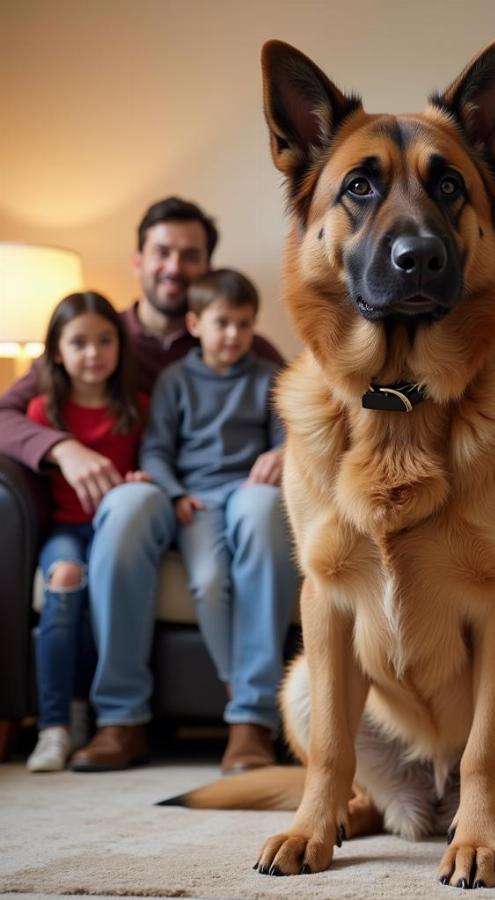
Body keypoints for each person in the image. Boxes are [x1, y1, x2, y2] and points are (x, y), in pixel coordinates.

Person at [0, 197, 289, 772]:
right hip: (155, 488)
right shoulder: (103, 333)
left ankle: (253, 720)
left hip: (229, 495)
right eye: (162, 252)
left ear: (206, 265)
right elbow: (6, 411)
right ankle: (121, 717)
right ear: (139, 259)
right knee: (127, 504)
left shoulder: (243, 345)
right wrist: (63, 447)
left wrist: (293, 449)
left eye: (190, 255)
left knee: (262, 510)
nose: (174, 267)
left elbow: (299, 407)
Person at [139, 269, 296, 772]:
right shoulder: (175, 381)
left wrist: (283, 453)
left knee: (260, 509)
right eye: (222, 323)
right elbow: (156, 449)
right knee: (208, 582)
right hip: (198, 499)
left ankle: (249, 718)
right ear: (195, 323)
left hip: (248, 489)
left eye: (244, 324)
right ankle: (238, 684)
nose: (233, 335)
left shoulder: (267, 378)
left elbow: (295, 432)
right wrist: (174, 492)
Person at [25, 292, 150, 771]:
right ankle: (53, 727)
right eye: (78, 343)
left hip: (114, 533)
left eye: (104, 341)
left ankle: (84, 713)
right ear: (57, 351)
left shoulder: (136, 407)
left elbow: (153, 459)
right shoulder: (43, 411)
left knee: (107, 581)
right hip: (67, 530)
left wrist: (142, 477)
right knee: (64, 579)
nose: (93, 353)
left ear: (120, 347)